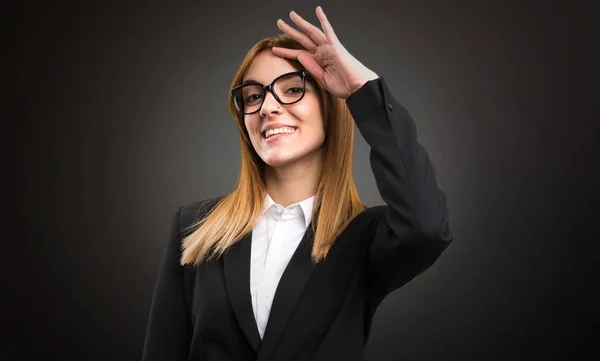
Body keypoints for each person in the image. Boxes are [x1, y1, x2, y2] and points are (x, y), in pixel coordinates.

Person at [142, 6, 452, 361]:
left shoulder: (363, 236)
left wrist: (362, 90)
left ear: (330, 106)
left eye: (292, 89)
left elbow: (427, 227)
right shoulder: (195, 226)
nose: (268, 107)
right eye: (253, 96)